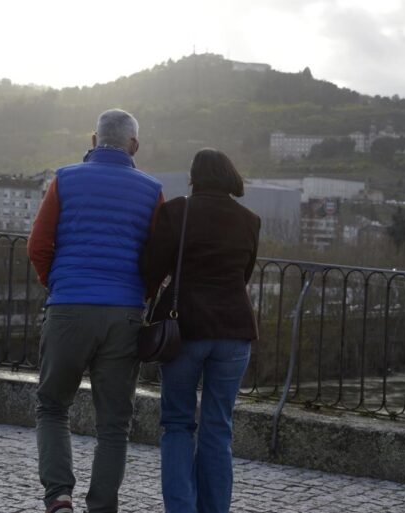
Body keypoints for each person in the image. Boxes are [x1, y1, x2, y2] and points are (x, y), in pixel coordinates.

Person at [27, 108, 164, 513]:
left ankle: (59, 497)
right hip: (124, 314)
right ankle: (102, 506)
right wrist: (142, 294)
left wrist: (59, 284)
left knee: (52, 406)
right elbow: (156, 259)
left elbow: (38, 245)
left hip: (68, 307)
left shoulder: (65, 179)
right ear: (134, 145)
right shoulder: (151, 189)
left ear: (93, 140)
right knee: (114, 424)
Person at [143, 148, 261, 513]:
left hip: (185, 330)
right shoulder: (249, 220)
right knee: (218, 428)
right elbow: (244, 275)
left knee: (178, 423)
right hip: (235, 331)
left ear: (193, 177)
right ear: (228, 176)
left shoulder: (177, 212)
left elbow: (151, 269)